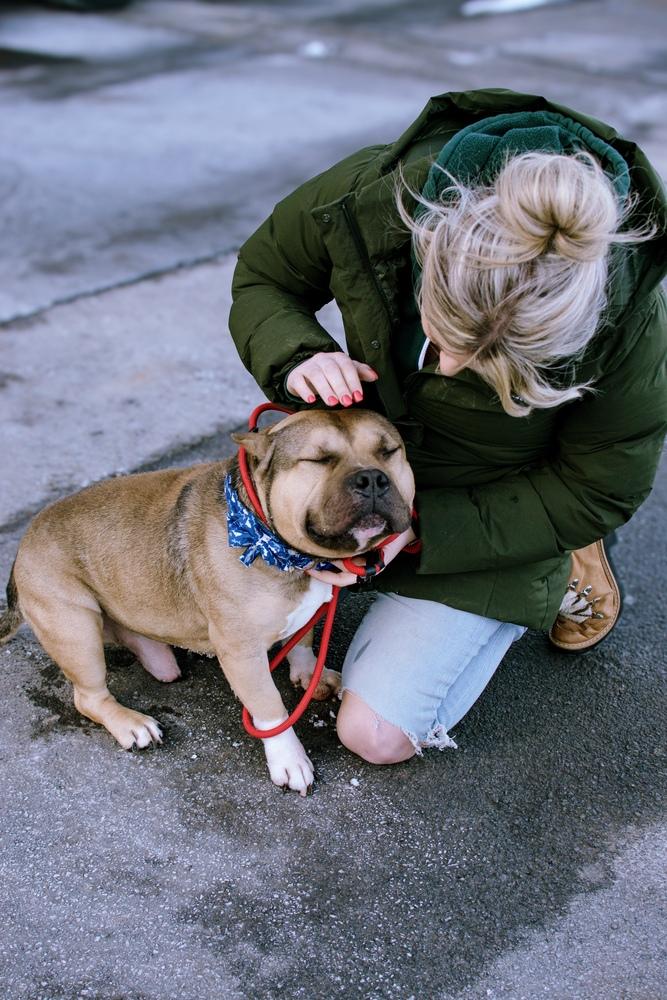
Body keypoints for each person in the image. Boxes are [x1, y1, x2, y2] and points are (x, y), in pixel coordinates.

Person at [228, 88, 667, 765]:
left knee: (374, 737)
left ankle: (562, 557)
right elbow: (264, 278)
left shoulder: (629, 322)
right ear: (426, 248)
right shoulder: (370, 197)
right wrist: (298, 357)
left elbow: (597, 487)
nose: (451, 365)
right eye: (442, 334)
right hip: (365, 470)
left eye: (495, 363)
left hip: (491, 507)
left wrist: (423, 530)